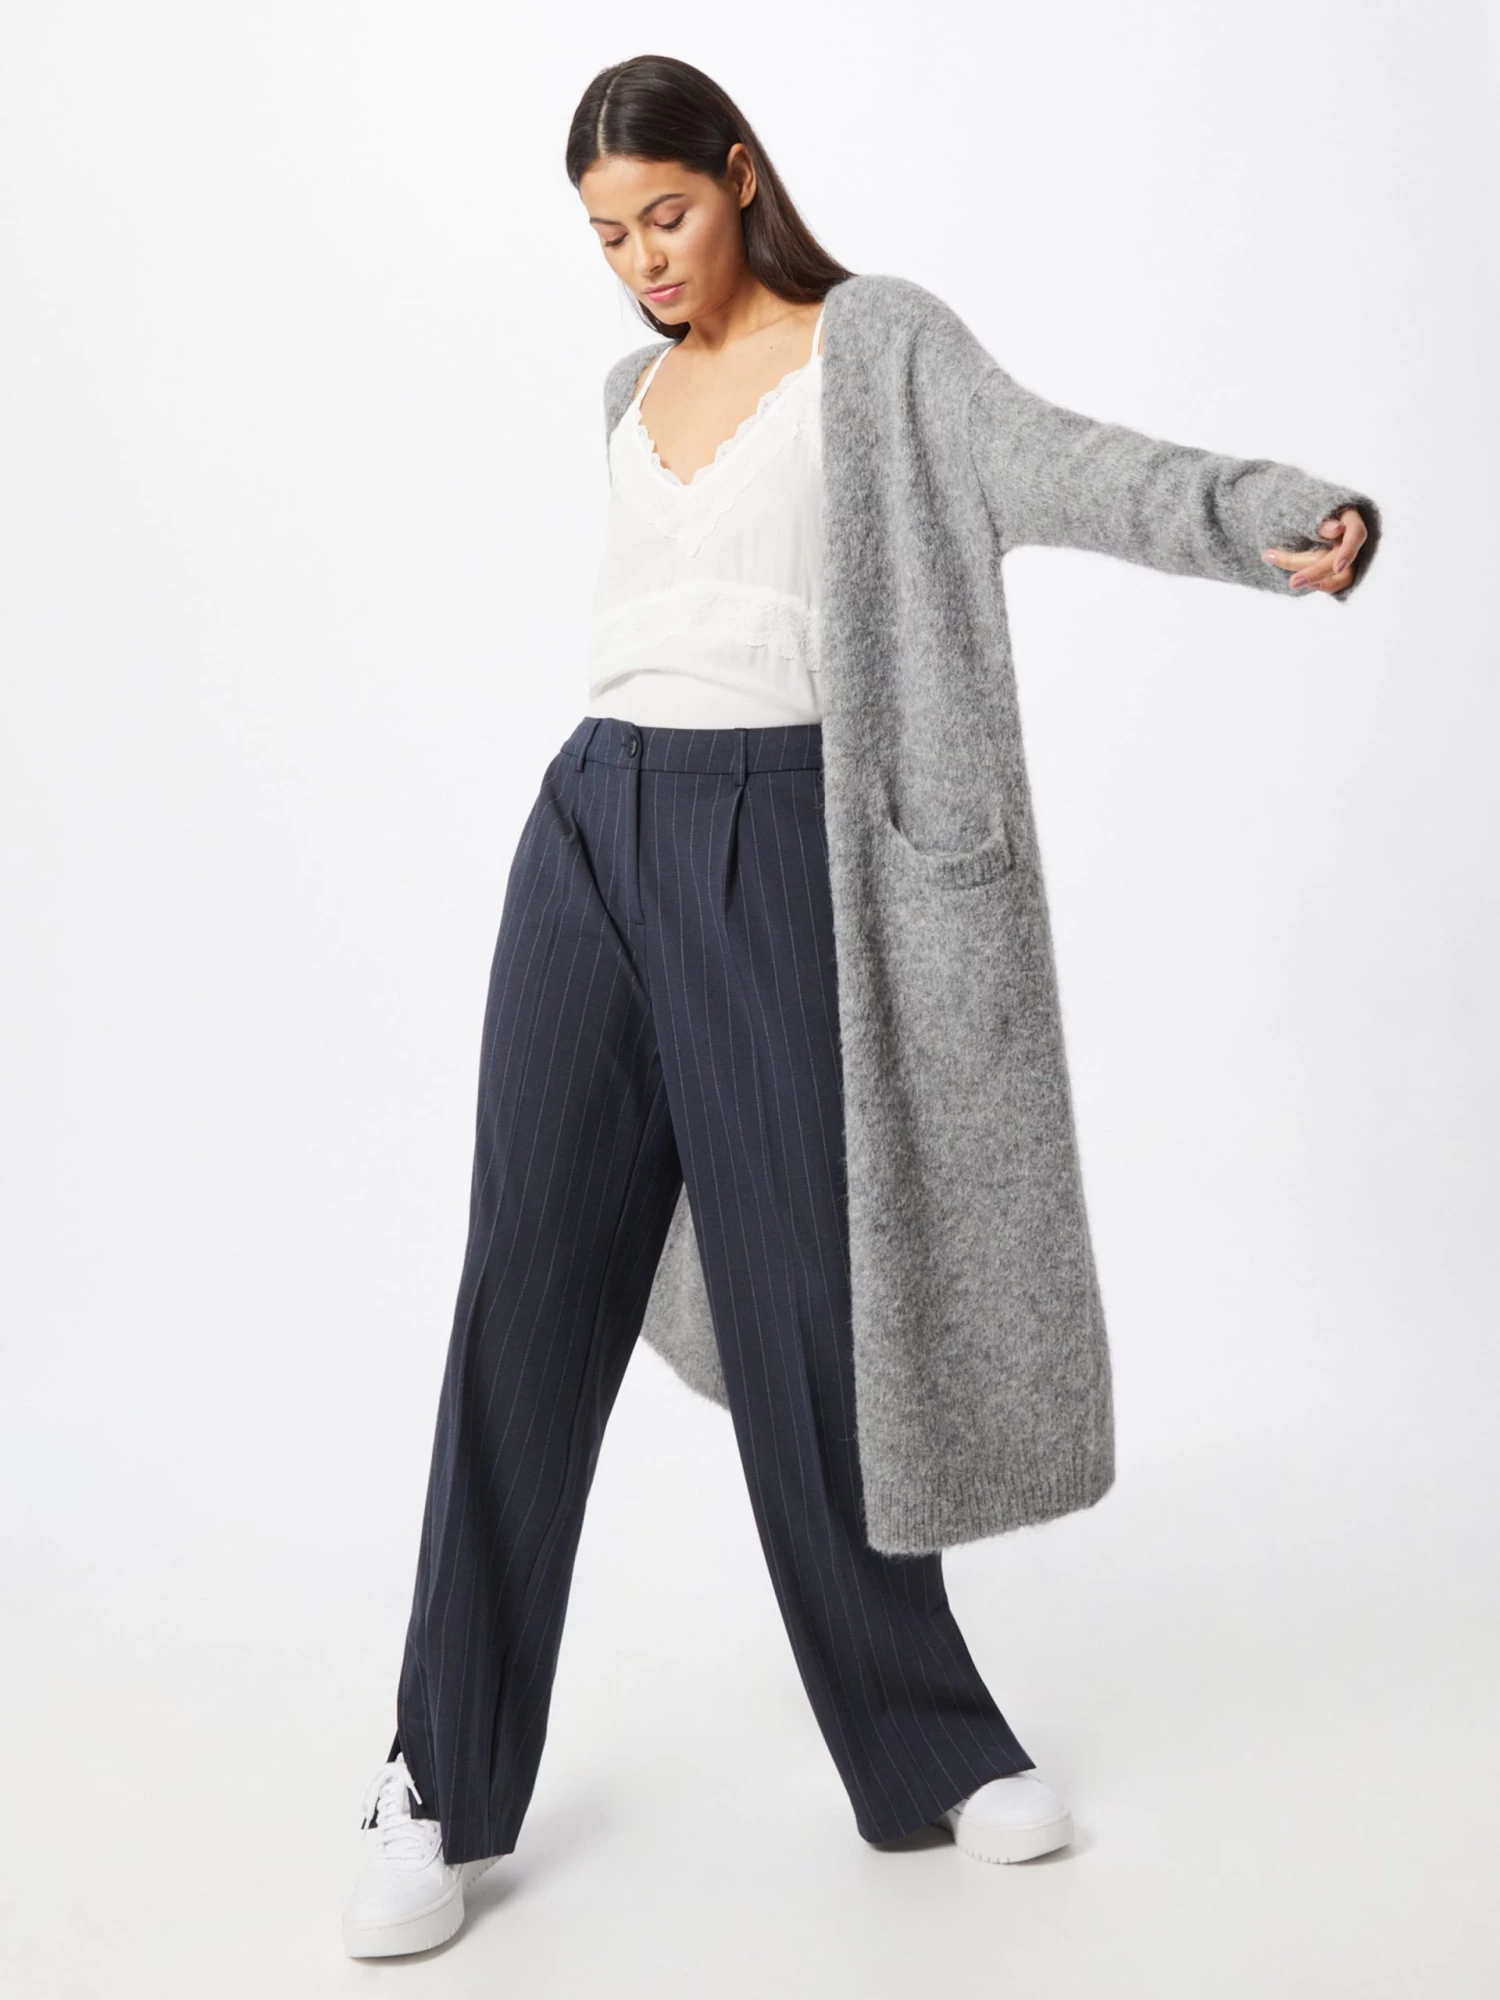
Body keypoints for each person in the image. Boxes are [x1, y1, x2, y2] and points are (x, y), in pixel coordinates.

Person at [342, 54, 1377, 1960]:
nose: (644, 262)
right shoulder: (625, 393)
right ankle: (436, 1783)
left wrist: (1263, 514)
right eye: (607, 236)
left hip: (777, 838)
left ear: (741, 174)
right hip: (588, 830)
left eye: (666, 213)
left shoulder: (878, 348)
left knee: (814, 1305)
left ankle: (923, 1746)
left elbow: (1067, 463)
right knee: (523, 1294)